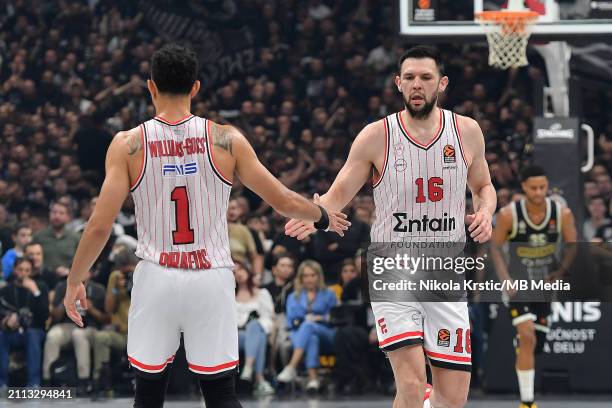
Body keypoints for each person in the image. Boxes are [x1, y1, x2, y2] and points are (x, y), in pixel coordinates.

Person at [62, 44, 349, 408]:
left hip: (157, 276)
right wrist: (322, 216)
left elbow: (100, 226)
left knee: (147, 393)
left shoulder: (127, 144)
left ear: (150, 87)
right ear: (195, 88)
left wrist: (75, 280)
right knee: (220, 393)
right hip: (210, 277)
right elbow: (281, 200)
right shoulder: (226, 139)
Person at [286, 45, 497, 407]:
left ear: (441, 83)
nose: (418, 84)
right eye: (410, 78)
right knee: (412, 387)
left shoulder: (466, 131)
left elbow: (483, 187)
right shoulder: (375, 136)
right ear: (398, 83)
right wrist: (315, 215)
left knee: (453, 398)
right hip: (393, 268)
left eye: (426, 78)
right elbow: (338, 193)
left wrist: (485, 212)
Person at [491, 166, 577, 408]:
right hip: (518, 285)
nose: (539, 192)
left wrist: (561, 272)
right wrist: (505, 278)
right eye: (534, 188)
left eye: (543, 187)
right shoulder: (509, 214)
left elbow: (573, 244)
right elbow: (495, 247)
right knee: (528, 337)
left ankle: (524, 343)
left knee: (535, 343)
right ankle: (527, 402)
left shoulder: (561, 214)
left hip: (545, 286)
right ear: (524, 188)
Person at [277, 260, 337, 392]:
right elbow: (292, 321)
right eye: (306, 276)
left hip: (327, 333)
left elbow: (335, 317)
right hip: (299, 334)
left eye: (313, 275)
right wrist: (306, 319)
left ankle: (291, 367)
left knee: (309, 326)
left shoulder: (329, 293)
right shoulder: (294, 296)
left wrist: (319, 318)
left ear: (319, 276)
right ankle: (313, 379)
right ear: (300, 278)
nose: (309, 279)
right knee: (311, 337)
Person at [43, 269, 107, 394]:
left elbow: (105, 319)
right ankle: (48, 379)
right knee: (52, 336)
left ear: (91, 273)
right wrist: (66, 300)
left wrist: (91, 308)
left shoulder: (98, 289)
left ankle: (84, 381)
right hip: (67, 326)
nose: (80, 273)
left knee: (78, 335)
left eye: (85, 270)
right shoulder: (62, 286)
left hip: (89, 327)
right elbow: (55, 316)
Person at [93, 248, 137, 395]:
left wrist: (135, 284)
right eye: (125, 271)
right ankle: (100, 382)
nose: (128, 275)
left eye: (130, 271)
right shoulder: (115, 277)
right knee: (101, 337)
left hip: (143, 334)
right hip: (122, 334)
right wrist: (116, 290)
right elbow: (108, 309)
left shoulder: (145, 276)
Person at [0, 258, 48, 390]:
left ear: (32, 272)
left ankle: (33, 383)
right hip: (12, 332)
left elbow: (45, 315)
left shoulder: (40, 287)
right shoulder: (6, 290)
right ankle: (1, 383)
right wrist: (6, 320)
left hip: (35, 331)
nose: (23, 273)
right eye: (20, 270)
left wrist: (36, 292)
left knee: (32, 336)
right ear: (15, 270)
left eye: (27, 270)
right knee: (1, 336)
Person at [234, 261, 275, 396]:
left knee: (257, 328)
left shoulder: (262, 293)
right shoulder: (229, 296)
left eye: (240, 269)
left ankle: (249, 367)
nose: (238, 273)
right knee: (257, 334)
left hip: (256, 332)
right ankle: (259, 379)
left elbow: (269, 319)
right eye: (234, 272)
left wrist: (255, 324)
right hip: (235, 335)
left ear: (247, 270)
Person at [32, 202, 80, 280]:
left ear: (68, 217)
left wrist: (70, 271)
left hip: (67, 280)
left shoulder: (75, 238)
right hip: (42, 279)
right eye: (54, 212)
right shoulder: (38, 237)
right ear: (49, 214)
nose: (57, 216)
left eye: (61, 213)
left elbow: (81, 262)